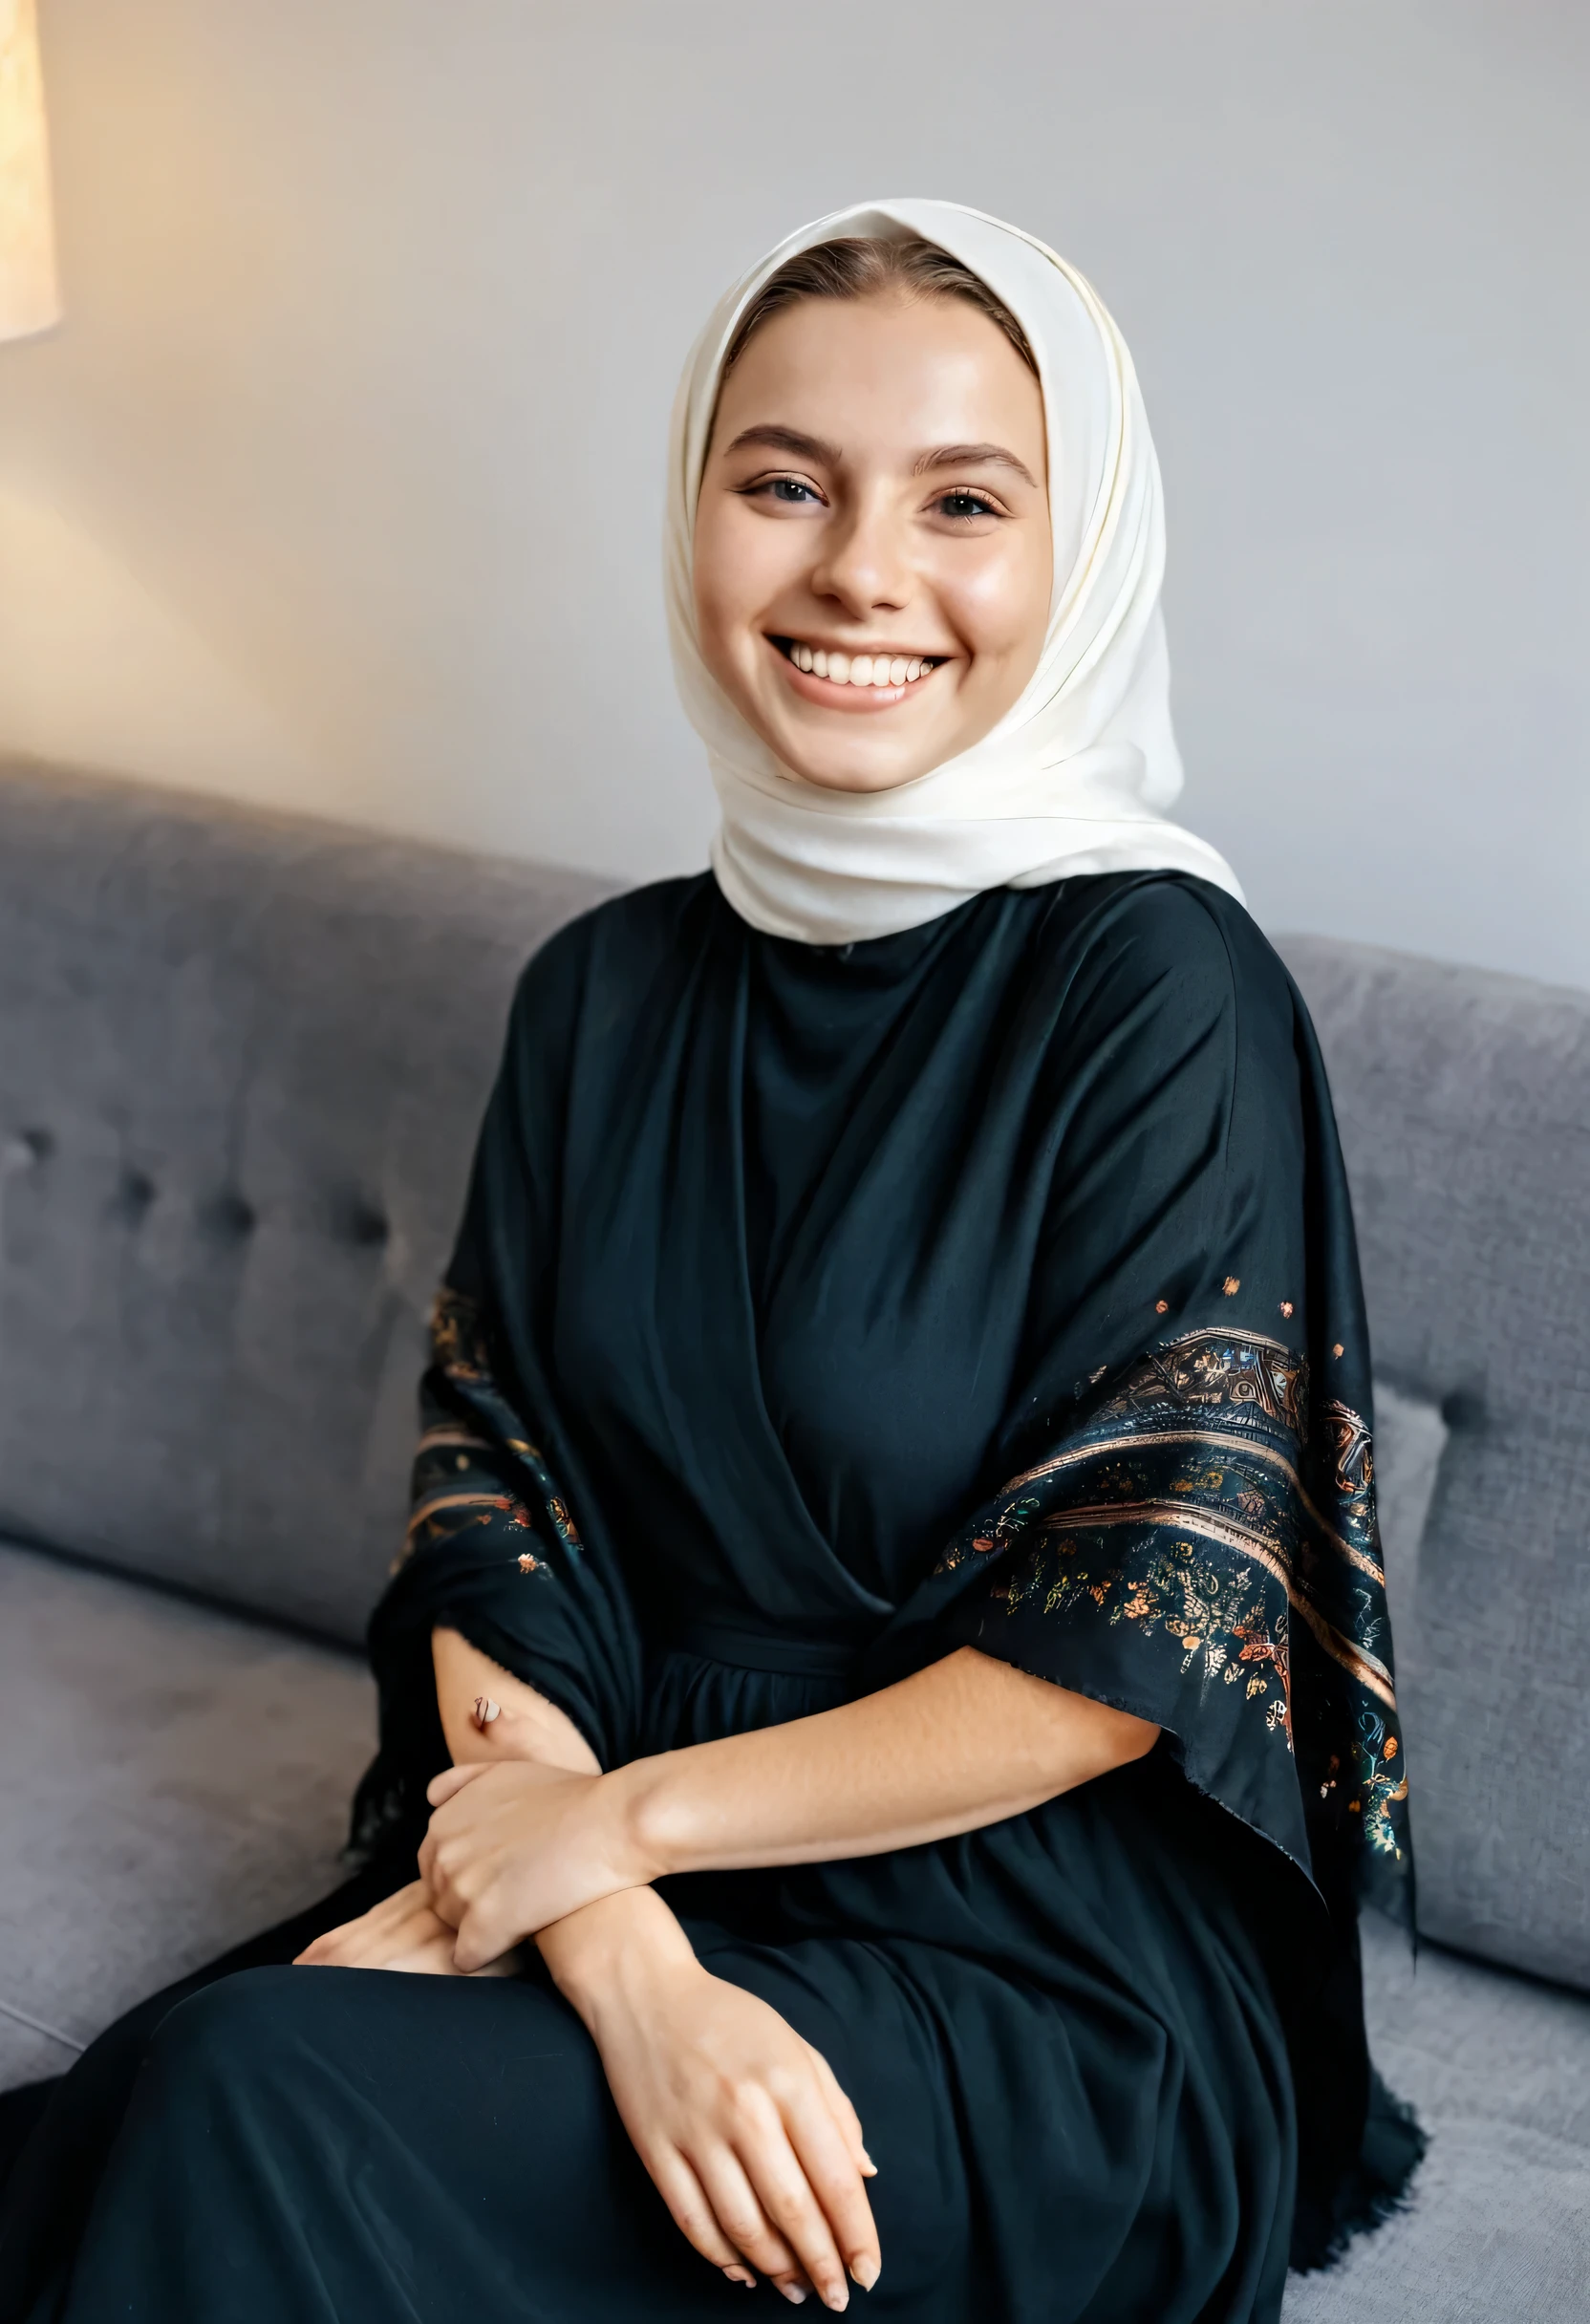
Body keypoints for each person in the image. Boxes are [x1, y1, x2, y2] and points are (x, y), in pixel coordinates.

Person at [0, 199, 1421, 2323]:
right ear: (696, 513)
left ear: (1083, 548)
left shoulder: (1155, 985)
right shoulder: (597, 991)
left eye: (962, 501)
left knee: (249, 2103)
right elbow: (496, 1519)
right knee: (107, 2128)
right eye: (784, 483)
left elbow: (1115, 1656)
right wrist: (620, 1942)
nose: (860, 569)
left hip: (1023, 1955)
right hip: (599, 1839)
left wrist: (616, 1837)